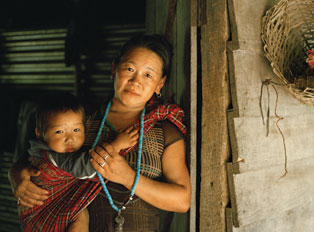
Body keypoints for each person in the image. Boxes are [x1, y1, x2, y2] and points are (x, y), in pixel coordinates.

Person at [9, 34, 191, 231]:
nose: (135, 81)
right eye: (129, 69)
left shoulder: (164, 130)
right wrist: (16, 173)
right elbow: (40, 156)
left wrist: (127, 177)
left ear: (160, 84)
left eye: (148, 75)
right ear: (114, 69)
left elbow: (181, 200)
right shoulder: (81, 122)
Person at [17, 93, 138, 231]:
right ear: (40, 134)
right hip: (42, 218)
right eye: (59, 132)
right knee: (80, 215)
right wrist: (117, 144)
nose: (70, 139)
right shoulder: (51, 158)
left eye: (76, 130)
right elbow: (89, 168)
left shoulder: (44, 151)